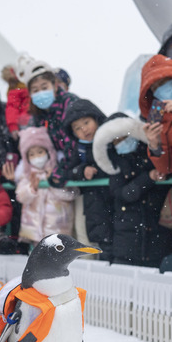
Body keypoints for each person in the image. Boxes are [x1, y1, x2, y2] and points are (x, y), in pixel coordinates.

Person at [92, 112, 172, 267]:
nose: (121, 142)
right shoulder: (115, 166)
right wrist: (149, 178)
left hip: (157, 237)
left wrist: (154, 147)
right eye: (116, 140)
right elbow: (124, 194)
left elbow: (167, 164)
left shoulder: (151, 154)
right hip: (126, 242)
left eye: (124, 137)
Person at [61, 99, 114, 257]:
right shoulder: (81, 149)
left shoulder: (110, 140)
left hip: (113, 200)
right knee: (92, 242)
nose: (84, 129)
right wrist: (82, 171)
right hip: (93, 204)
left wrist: (99, 171)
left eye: (86, 122)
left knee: (112, 242)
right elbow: (69, 171)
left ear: (96, 119)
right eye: (77, 128)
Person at [17, 54, 79, 187]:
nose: (40, 93)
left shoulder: (70, 103)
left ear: (55, 86)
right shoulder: (36, 116)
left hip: (78, 168)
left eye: (44, 87)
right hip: (57, 172)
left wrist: (59, 171)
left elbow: (73, 143)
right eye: (35, 90)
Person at [15, 127, 77, 245]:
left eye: (40, 152)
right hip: (34, 230)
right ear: (26, 158)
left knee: (58, 259)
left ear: (49, 152)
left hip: (58, 228)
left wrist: (53, 183)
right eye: (32, 154)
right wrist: (31, 189)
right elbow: (20, 196)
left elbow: (71, 194)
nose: (37, 157)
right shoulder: (27, 176)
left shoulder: (59, 172)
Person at [1, 65, 30, 141]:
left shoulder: (14, 91)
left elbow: (12, 108)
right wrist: (13, 126)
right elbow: (12, 109)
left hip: (26, 122)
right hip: (26, 123)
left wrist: (13, 126)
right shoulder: (16, 91)